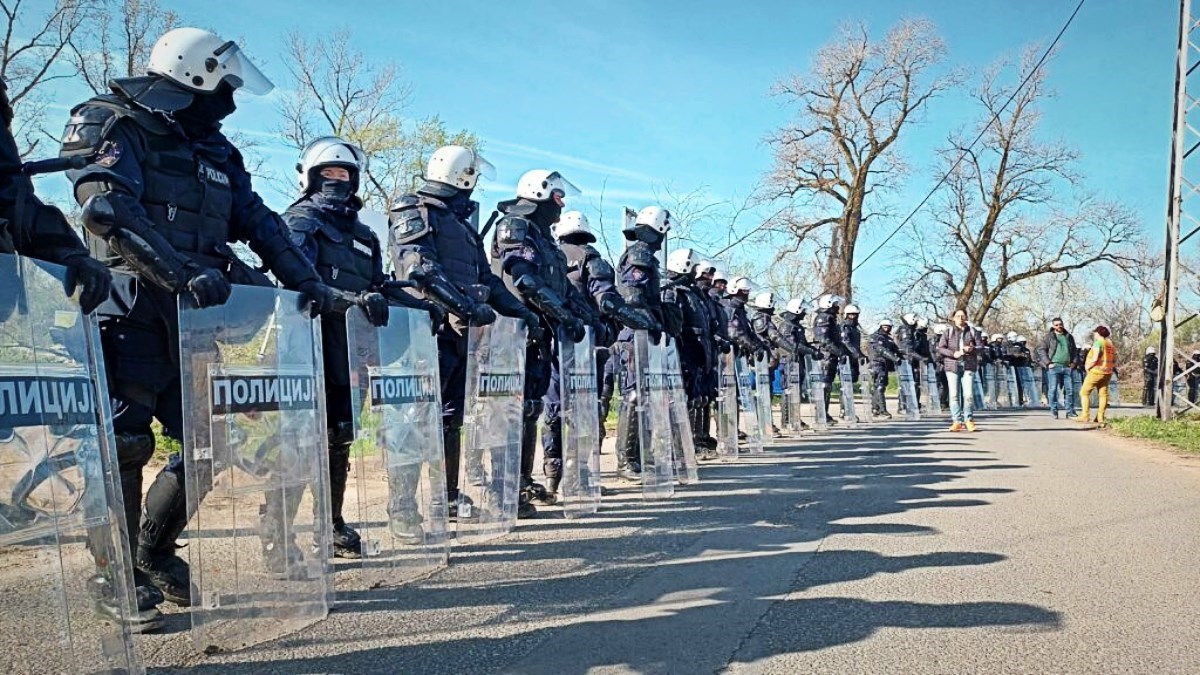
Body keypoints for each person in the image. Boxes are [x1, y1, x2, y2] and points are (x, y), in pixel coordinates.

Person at [59, 27, 335, 609]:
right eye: (224, 81)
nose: (230, 96)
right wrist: (177, 270)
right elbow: (107, 206)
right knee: (125, 443)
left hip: (201, 317)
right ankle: (115, 574)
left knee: (208, 442)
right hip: (129, 305)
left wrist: (308, 283)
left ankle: (153, 550)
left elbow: (261, 223)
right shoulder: (113, 120)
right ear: (193, 73)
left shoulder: (216, 151)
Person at [283, 136, 443, 555]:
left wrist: (423, 307)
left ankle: (331, 523)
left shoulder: (364, 235)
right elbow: (292, 282)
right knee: (300, 441)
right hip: (305, 347)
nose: (337, 180)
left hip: (350, 351)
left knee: (340, 436)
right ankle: (276, 534)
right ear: (310, 177)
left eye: (344, 174)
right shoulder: (300, 222)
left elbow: (379, 285)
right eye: (328, 173)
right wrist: (350, 301)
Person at [389, 145, 539, 518]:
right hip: (423, 333)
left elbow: (487, 279)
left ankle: (447, 496)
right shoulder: (416, 210)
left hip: (461, 337)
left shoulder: (460, 225)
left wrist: (522, 313)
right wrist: (465, 307)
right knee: (412, 420)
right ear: (464, 176)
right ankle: (403, 507)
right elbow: (419, 270)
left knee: (450, 419)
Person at [488, 170, 589, 513]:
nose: (561, 204)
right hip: (512, 330)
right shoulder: (515, 227)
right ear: (539, 193)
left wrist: (586, 318)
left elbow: (561, 288)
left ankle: (523, 481)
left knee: (530, 408)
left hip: (539, 332)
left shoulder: (546, 240)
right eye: (557, 197)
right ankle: (503, 486)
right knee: (510, 411)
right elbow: (525, 280)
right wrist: (562, 314)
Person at [554, 211, 654, 455]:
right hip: (586, 341)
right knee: (587, 404)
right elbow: (608, 300)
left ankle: (552, 473)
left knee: (552, 408)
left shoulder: (549, 255)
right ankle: (582, 468)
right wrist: (623, 324)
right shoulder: (590, 258)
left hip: (551, 340)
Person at [614, 206, 672, 481]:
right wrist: (654, 321)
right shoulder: (639, 255)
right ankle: (626, 461)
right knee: (633, 395)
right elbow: (633, 297)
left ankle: (641, 456)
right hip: (634, 334)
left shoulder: (646, 255)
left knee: (645, 396)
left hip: (644, 333)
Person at [666, 249, 720, 453]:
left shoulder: (695, 296)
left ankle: (693, 442)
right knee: (684, 400)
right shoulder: (675, 292)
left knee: (698, 399)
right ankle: (681, 446)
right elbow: (676, 327)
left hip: (698, 356)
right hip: (684, 355)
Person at [749, 291, 795, 437]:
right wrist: (790, 347)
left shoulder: (765, 317)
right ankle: (764, 424)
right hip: (762, 361)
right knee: (763, 393)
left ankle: (766, 423)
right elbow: (774, 336)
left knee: (766, 393)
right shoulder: (761, 318)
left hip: (767, 360)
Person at [937, 309, 984, 432]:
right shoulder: (948, 332)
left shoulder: (974, 331)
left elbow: (981, 347)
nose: (960, 318)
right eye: (958, 316)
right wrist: (954, 353)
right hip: (952, 366)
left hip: (968, 365)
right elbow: (941, 348)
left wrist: (971, 349)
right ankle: (956, 421)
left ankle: (968, 420)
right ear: (953, 318)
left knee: (968, 394)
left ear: (966, 317)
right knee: (954, 395)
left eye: (963, 316)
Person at [813, 293, 851, 424]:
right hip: (826, 356)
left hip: (831, 356)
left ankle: (824, 413)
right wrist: (839, 352)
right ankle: (821, 415)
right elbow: (824, 340)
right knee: (824, 385)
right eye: (835, 305)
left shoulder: (831, 318)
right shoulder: (823, 318)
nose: (837, 307)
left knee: (827, 386)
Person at [1037, 317, 1079, 419]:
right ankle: (1054, 411)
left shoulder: (1069, 336)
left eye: (1060, 324)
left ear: (1063, 324)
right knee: (1053, 389)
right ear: (1053, 326)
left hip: (1067, 367)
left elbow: (1074, 351)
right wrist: (1048, 363)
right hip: (1054, 367)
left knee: (1070, 390)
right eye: (1056, 325)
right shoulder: (1048, 337)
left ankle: (1070, 411)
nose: (1059, 326)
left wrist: (1074, 362)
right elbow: (1041, 350)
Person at [1077, 325, 1117, 425]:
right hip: (1107, 372)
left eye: (1095, 333)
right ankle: (1100, 417)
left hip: (1096, 371)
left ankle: (1085, 415)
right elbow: (1114, 359)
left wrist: (1088, 367)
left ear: (1098, 333)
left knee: (1084, 392)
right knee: (1103, 394)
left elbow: (1095, 358)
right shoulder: (1110, 344)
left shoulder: (1098, 343)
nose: (1094, 334)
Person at [868, 319, 902, 418]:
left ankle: (875, 409)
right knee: (879, 386)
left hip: (884, 365)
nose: (886, 328)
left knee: (878, 386)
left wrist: (907, 355)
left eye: (888, 326)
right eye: (884, 326)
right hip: (877, 364)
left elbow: (897, 350)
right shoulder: (876, 337)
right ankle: (882, 411)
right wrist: (894, 358)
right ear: (880, 326)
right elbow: (881, 350)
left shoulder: (888, 339)